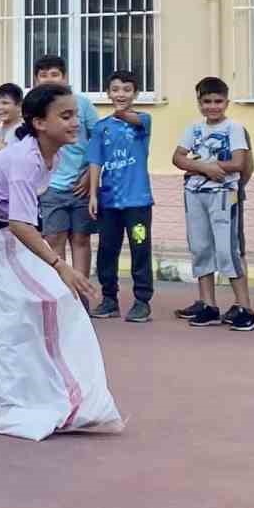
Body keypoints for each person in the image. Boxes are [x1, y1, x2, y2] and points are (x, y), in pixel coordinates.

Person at [0, 83, 123, 441]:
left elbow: (21, 217)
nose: (75, 123)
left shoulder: (56, 156)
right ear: (39, 123)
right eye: (65, 116)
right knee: (2, 321)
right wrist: (60, 264)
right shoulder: (25, 159)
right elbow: (20, 223)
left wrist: (54, 265)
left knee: (42, 304)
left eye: (75, 115)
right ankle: (15, 405)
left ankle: (56, 397)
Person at [172, 76, 254, 330]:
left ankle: (245, 308)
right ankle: (208, 305)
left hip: (223, 195)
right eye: (207, 101)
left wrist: (200, 167)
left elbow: (238, 163)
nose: (212, 106)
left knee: (226, 250)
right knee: (200, 247)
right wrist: (204, 167)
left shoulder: (234, 129)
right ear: (199, 103)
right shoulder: (193, 129)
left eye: (218, 101)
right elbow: (178, 157)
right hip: (195, 194)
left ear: (226, 102)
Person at [86, 70, 154, 323]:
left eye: (127, 89)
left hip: (138, 203)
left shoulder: (143, 121)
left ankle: (142, 301)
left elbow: (132, 118)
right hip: (110, 204)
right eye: (115, 89)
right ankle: (109, 299)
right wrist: (93, 194)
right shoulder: (101, 128)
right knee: (107, 250)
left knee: (140, 248)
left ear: (135, 94)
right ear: (108, 93)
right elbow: (95, 161)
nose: (120, 94)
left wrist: (122, 111)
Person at [31, 55, 100, 283]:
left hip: (80, 186)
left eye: (55, 74)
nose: (49, 79)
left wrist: (88, 177)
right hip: (50, 186)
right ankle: (62, 295)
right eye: (43, 75)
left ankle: (81, 295)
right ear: (36, 79)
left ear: (65, 77)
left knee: (81, 240)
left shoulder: (82, 104)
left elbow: (98, 140)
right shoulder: (35, 107)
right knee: (54, 240)